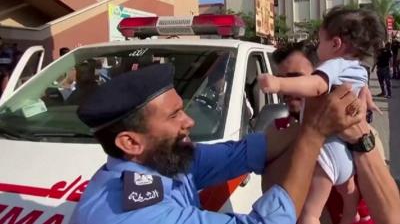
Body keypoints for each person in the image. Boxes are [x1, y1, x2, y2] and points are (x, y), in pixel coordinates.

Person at [70, 63, 367, 224]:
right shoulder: (133, 214)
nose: (189, 122)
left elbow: (247, 151)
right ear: (130, 142)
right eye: (174, 115)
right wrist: (314, 134)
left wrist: (317, 121)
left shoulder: (159, 160)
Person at [259, 7, 386, 224]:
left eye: (296, 79)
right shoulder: (276, 129)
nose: (288, 89)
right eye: (282, 78)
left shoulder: (366, 138)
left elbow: (386, 210)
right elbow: (275, 198)